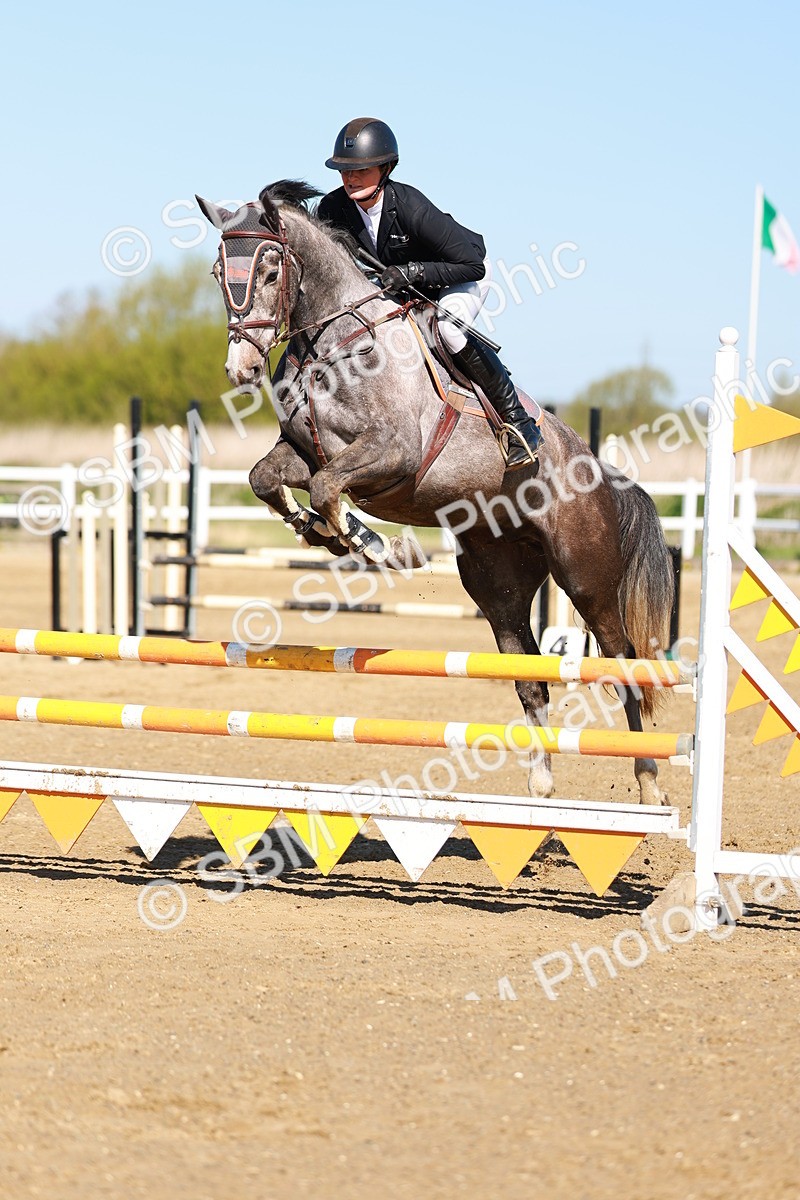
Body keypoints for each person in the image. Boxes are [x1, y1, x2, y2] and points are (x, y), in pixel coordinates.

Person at [317, 117, 542, 470]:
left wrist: (413, 271)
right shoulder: (332, 210)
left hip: (459, 273)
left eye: (362, 168)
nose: (351, 177)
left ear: (386, 168)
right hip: (403, 285)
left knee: (448, 331)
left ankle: (518, 422)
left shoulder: (410, 207)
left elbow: (473, 265)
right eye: (345, 169)